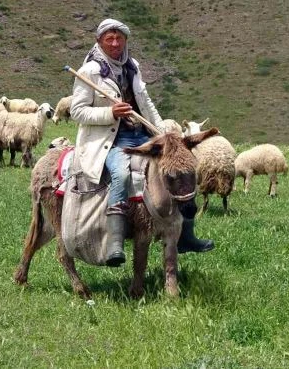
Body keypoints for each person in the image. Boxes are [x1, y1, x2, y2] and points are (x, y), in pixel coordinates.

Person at [70, 18, 215, 267]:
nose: (115, 43)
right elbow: (77, 111)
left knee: (182, 168)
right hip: (111, 139)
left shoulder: (132, 66)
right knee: (120, 174)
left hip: (142, 133)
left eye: (119, 38)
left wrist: (162, 131)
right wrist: (110, 113)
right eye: (109, 39)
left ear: (125, 40)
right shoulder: (89, 71)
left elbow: (145, 103)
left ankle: (186, 235)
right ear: (99, 41)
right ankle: (115, 241)